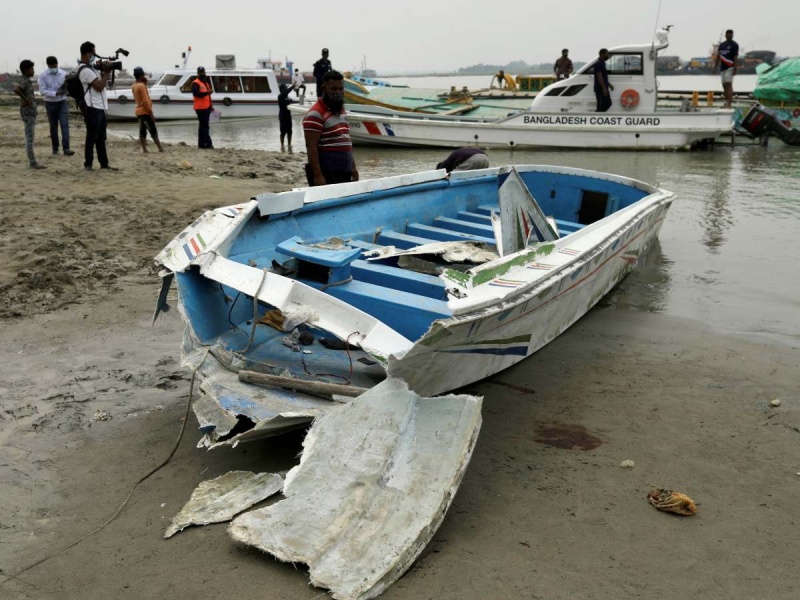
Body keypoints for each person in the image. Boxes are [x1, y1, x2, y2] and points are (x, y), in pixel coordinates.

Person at [302, 70, 358, 186]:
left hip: (345, 171)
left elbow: (346, 139)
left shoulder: (341, 111)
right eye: (333, 89)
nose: (338, 92)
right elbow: (311, 147)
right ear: (323, 89)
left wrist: (353, 167)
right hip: (327, 173)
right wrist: (317, 175)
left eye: (340, 89)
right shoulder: (315, 114)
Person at [78, 41, 116, 171]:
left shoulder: (92, 68)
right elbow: (99, 87)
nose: (95, 55)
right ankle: (88, 164)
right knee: (91, 137)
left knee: (101, 138)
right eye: (93, 53)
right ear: (87, 54)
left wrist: (105, 71)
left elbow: (102, 83)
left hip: (99, 107)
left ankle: (104, 164)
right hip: (92, 107)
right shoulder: (85, 70)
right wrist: (106, 73)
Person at [38, 56, 74, 156]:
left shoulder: (63, 74)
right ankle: (55, 148)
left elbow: (69, 86)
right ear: (48, 66)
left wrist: (66, 90)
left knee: (65, 125)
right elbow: (42, 91)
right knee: (53, 126)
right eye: (51, 67)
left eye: (55, 66)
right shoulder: (43, 76)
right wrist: (55, 93)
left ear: (57, 64)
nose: (54, 68)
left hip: (62, 102)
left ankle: (66, 148)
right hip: (49, 103)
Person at [13, 60, 45, 169]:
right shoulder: (24, 81)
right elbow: (16, 89)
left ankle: (32, 161)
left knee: (29, 137)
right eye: (31, 69)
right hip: (28, 113)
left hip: (30, 112)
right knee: (29, 138)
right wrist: (25, 99)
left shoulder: (26, 80)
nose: (33, 71)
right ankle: (33, 162)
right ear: (26, 70)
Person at [132, 66, 164, 153]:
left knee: (142, 131)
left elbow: (139, 97)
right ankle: (160, 148)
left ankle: (144, 149)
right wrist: (151, 113)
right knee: (153, 130)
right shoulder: (141, 86)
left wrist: (145, 84)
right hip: (145, 111)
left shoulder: (134, 85)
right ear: (142, 75)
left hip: (138, 111)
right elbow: (146, 101)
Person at [714, 29, 739, 108]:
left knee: (729, 84)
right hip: (722, 68)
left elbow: (735, 57)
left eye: (731, 35)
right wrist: (715, 67)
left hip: (730, 67)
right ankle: (726, 102)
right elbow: (718, 56)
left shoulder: (735, 45)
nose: (730, 36)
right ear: (725, 35)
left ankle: (729, 104)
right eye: (728, 35)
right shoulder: (722, 45)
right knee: (724, 85)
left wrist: (735, 68)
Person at [192, 66, 214, 149]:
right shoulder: (195, 83)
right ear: (198, 73)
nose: (202, 73)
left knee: (202, 127)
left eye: (203, 72)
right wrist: (207, 92)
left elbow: (208, 97)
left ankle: (201, 144)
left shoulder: (205, 82)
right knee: (205, 127)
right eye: (200, 72)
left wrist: (211, 106)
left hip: (207, 107)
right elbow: (196, 94)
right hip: (200, 108)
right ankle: (208, 144)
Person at [593, 48, 614, 113]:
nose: (607, 56)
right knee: (601, 105)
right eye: (606, 54)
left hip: (604, 87)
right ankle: (598, 115)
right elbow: (599, 77)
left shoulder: (602, 63)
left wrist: (609, 84)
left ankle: (600, 114)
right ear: (602, 54)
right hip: (600, 88)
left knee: (608, 103)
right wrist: (604, 88)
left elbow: (604, 77)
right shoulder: (598, 64)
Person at [278, 83, 296, 150]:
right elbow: (286, 92)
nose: (286, 89)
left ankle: (289, 145)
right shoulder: (280, 96)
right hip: (282, 117)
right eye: (285, 88)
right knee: (283, 132)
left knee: (290, 131)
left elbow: (290, 101)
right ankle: (282, 145)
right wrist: (293, 86)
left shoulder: (287, 97)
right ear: (282, 89)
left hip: (288, 116)